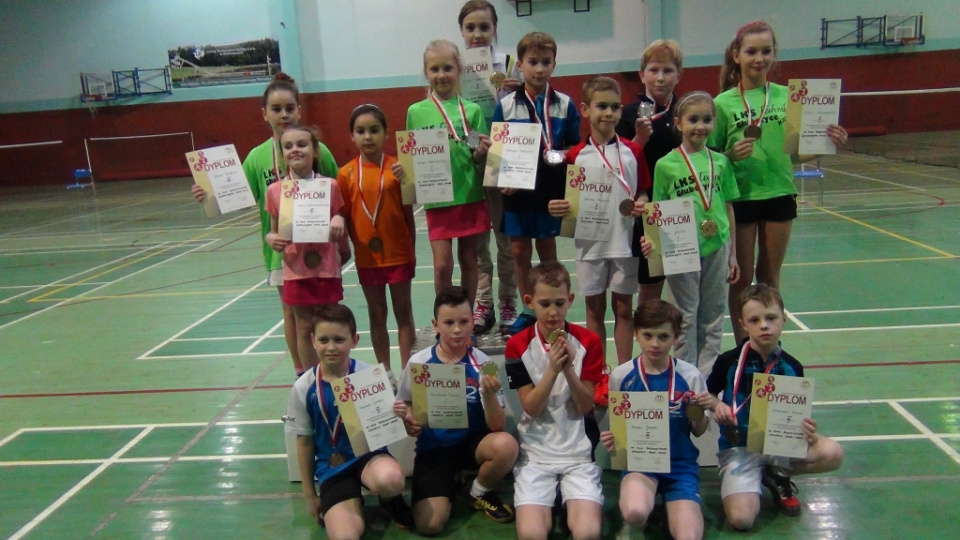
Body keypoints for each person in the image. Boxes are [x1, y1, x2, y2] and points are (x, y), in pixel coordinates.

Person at [191, 73, 339, 378]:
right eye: (276, 109)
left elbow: (340, 191)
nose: (283, 114)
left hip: (321, 251)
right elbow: (236, 197)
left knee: (325, 315)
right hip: (280, 251)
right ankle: (302, 374)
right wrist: (208, 196)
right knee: (293, 314)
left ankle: (328, 371)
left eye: (289, 108)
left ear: (299, 110)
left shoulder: (317, 150)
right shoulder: (257, 157)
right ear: (264, 114)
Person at [710, 21, 848, 342]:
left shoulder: (792, 97)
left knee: (770, 277)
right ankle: (744, 348)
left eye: (766, 51)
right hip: (741, 197)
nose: (759, 58)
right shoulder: (722, 103)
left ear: (775, 54)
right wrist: (730, 154)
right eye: (752, 51)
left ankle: (767, 344)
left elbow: (798, 155)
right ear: (737, 55)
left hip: (779, 194)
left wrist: (827, 142)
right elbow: (713, 160)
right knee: (740, 279)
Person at [697, 284, 844, 530]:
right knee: (741, 520)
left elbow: (797, 414)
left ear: (783, 319)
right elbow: (708, 395)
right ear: (743, 324)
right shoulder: (728, 361)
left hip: (779, 444)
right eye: (754, 320)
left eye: (771, 318)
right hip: (740, 447)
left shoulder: (792, 367)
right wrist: (718, 405)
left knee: (833, 453)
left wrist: (807, 429)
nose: (764, 325)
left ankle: (777, 472)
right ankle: (759, 474)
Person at [394, 286, 519, 534]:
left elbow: (496, 426)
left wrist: (490, 394)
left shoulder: (485, 363)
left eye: (464, 321)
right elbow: (408, 405)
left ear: (473, 321)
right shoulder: (419, 363)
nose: (457, 329)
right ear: (435, 325)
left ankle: (478, 490)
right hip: (435, 449)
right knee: (429, 525)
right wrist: (409, 421)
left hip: (472, 445)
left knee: (506, 445)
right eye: (449, 322)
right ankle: (449, 481)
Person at [284, 304, 414, 537]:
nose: (331, 347)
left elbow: (390, 424)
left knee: (392, 480)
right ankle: (349, 502)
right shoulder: (304, 387)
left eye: (339, 339)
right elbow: (304, 442)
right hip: (333, 468)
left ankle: (389, 500)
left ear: (354, 340)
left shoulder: (370, 377)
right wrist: (310, 495)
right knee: (345, 536)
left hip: (369, 457)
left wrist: (401, 415)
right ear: (312, 341)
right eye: (323, 340)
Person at [548, 76, 650, 366]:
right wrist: (557, 207)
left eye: (615, 107)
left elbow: (642, 189)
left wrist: (641, 203)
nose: (609, 113)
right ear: (584, 109)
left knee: (623, 309)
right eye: (601, 106)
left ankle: (623, 370)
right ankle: (598, 371)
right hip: (589, 243)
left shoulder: (634, 151)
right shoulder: (575, 156)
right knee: (594, 311)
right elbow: (565, 200)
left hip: (624, 241)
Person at [639, 91, 740, 375]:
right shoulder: (665, 165)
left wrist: (732, 254)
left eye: (707, 120)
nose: (700, 126)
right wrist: (652, 244)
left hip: (717, 245)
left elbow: (728, 207)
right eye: (693, 119)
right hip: (680, 249)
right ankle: (685, 376)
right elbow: (656, 211)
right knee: (684, 316)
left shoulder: (720, 162)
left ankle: (708, 380)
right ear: (678, 123)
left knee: (713, 315)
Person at [505, 261, 604, 540]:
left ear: (570, 300)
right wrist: (552, 369)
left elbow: (586, 405)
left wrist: (570, 368)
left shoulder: (589, 342)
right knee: (532, 535)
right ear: (529, 301)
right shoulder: (517, 345)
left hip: (578, 455)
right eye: (544, 303)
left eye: (559, 303)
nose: (553, 312)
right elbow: (532, 407)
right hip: (536, 454)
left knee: (587, 533)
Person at [600, 299, 710, 540]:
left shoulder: (690, 376)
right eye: (647, 335)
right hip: (640, 465)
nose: (655, 344)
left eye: (663, 336)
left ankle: (673, 504)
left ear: (676, 336)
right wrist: (613, 440)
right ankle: (639, 510)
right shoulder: (621, 376)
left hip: (680, 466)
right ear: (636, 334)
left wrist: (698, 412)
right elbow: (618, 428)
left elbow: (700, 431)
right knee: (635, 512)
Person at [494, 32, 581, 334]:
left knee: (547, 251)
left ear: (554, 65)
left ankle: (554, 305)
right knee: (519, 252)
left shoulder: (566, 105)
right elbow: (497, 150)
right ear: (520, 65)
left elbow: (576, 147)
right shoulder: (505, 106)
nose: (539, 69)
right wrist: (501, 178)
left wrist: (559, 155)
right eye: (533, 62)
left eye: (546, 62)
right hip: (518, 190)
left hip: (550, 189)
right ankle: (528, 310)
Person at [406, 40, 492, 310]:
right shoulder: (415, 112)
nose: (441, 75)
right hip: (438, 199)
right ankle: (444, 318)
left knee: (469, 260)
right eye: (434, 69)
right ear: (426, 72)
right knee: (443, 265)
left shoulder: (472, 110)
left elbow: (476, 156)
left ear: (459, 70)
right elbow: (411, 155)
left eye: (447, 68)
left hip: (469, 194)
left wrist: (482, 152)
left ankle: (465, 315)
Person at [338, 104, 416, 386]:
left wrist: (412, 251)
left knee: (404, 312)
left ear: (385, 134)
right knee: (376, 313)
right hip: (368, 257)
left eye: (374, 130)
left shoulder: (398, 169)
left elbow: (409, 216)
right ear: (352, 136)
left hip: (398, 254)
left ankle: (407, 372)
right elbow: (345, 217)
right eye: (360, 131)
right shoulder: (345, 174)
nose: (367, 136)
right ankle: (385, 372)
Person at [457, 0, 522, 335]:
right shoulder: (453, 69)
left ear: (495, 28)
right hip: (470, 164)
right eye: (471, 28)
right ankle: (484, 303)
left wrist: (516, 95)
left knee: (505, 238)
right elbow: (451, 124)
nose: (478, 34)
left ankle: (508, 300)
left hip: (504, 162)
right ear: (462, 32)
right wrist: (473, 145)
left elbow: (526, 118)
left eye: (485, 27)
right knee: (478, 244)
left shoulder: (511, 65)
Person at [265, 124, 350, 370]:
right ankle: (311, 379)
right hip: (296, 270)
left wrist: (338, 219)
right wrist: (272, 239)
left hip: (325, 268)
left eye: (302, 145)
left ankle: (335, 374)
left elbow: (340, 216)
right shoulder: (275, 191)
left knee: (331, 325)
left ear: (315, 151)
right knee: (303, 327)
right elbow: (272, 230)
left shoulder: (330, 186)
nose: (295, 150)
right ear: (282, 153)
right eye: (288, 146)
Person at [616, 40, 685, 306]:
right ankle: (646, 344)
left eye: (667, 70)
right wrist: (639, 138)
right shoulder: (626, 115)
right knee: (645, 287)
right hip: (641, 210)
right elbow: (618, 162)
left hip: (677, 209)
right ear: (641, 74)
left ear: (679, 75)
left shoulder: (686, 112)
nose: (660, 77)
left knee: (679, 285)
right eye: (653, 69)